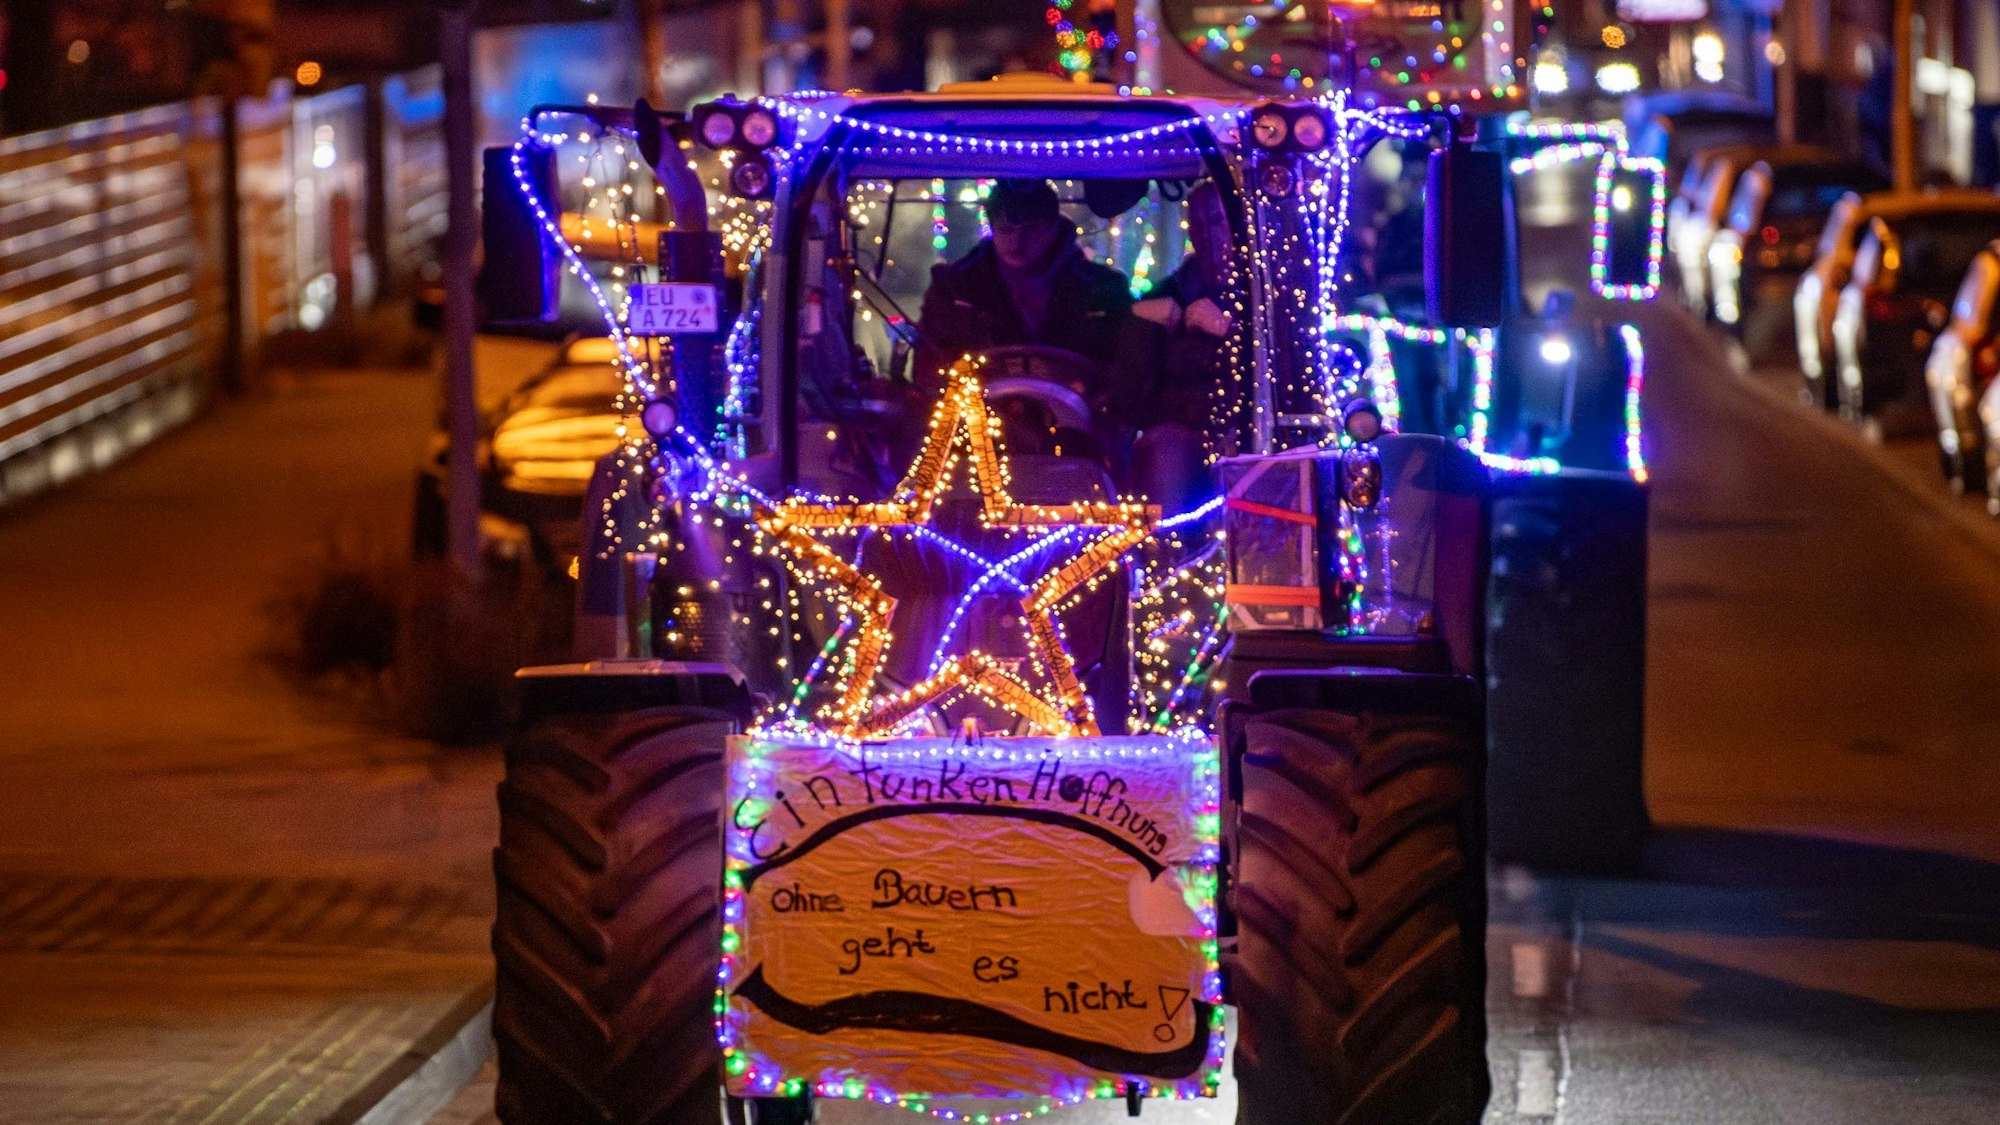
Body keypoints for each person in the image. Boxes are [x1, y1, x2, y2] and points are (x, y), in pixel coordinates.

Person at [913, 179, 1134, 387]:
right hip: (976, 418)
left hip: (1080, 418)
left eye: (1031, 229)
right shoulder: (955, 289)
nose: (1017, 242)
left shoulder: (1104, 289)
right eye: (1006, 229)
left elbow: (1125, 374)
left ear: (1053, 227)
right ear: (992, 227)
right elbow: (929, 370)